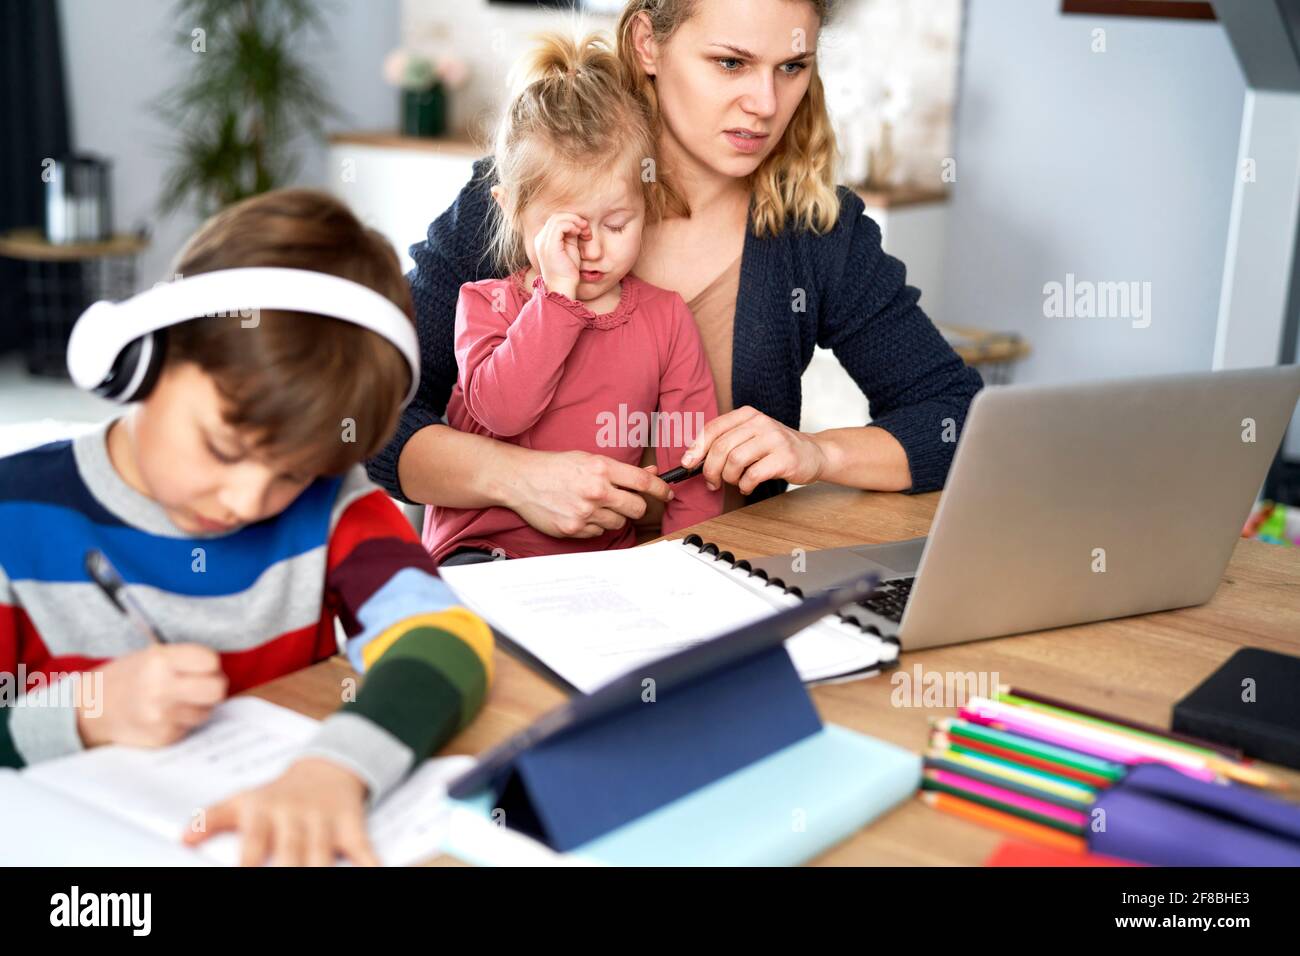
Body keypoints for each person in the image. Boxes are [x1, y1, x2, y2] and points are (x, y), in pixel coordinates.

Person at [368, 0, 983, 546]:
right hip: (513, 583)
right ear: (647, 43)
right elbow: (375, 416)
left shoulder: (814, 230)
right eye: (730, 63)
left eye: (791, 67)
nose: (765, 104)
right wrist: (518, 480)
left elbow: (955, 416)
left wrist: (817, 452)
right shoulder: (527, 195)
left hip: (712, 584)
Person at [0, 189, 493, 866]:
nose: (247, 499)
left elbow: (443, 639)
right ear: (148, 357)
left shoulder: (330, 503)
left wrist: (337, 768)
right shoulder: (14, 518)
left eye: (290, 473)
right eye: (225, 448)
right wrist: (82, 712)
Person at [431, 31, 722, 566]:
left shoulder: (665, 317)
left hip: (603, 557)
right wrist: (557, 301)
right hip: (483, 553)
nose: (591, 249)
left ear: (646, 204)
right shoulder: (485, 305)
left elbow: (693, 464)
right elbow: (502, 412)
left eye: (616, 223)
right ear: (511, 211)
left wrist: (690, 562)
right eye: (566, 229)